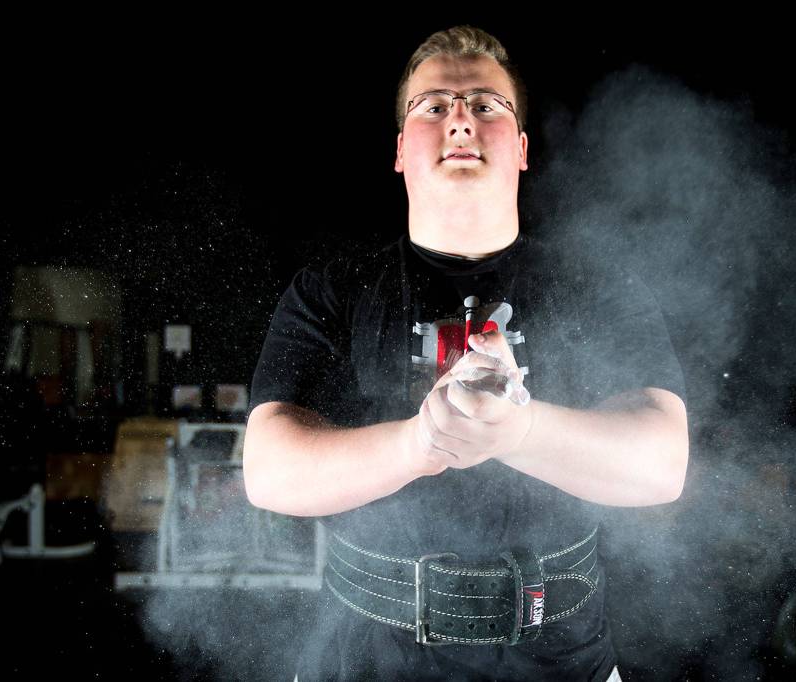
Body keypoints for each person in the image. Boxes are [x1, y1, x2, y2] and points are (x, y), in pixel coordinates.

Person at [244, 25, 689, 681]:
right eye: (433, 106)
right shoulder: (330, 291)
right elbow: (270, 471)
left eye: (486, 105)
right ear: (399, 150)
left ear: (523, 148)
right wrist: (421, 444)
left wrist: (521, 429)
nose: (460, 121)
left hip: (563, 663)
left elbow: (663, 466)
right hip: (365, 662)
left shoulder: (597, 288)